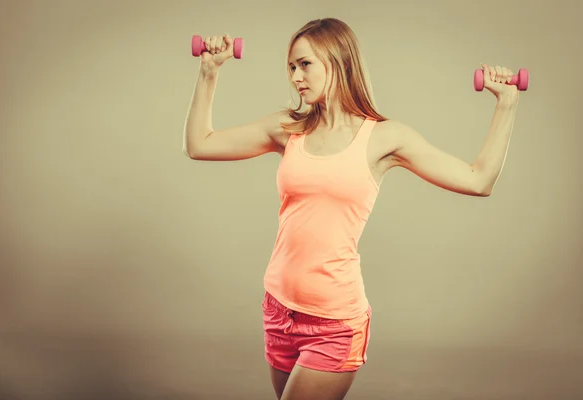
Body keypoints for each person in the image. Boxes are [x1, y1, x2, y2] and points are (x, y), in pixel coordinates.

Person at [183, 18, 520, 400]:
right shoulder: (288, 128)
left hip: (334, 322)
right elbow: (200, 144)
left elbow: (479, 180)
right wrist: (208, 72)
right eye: (291, 67)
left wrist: (506, 104)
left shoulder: (383, 137)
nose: (295, 76)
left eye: (305, 64)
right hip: (278, 311)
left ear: (338, 61)